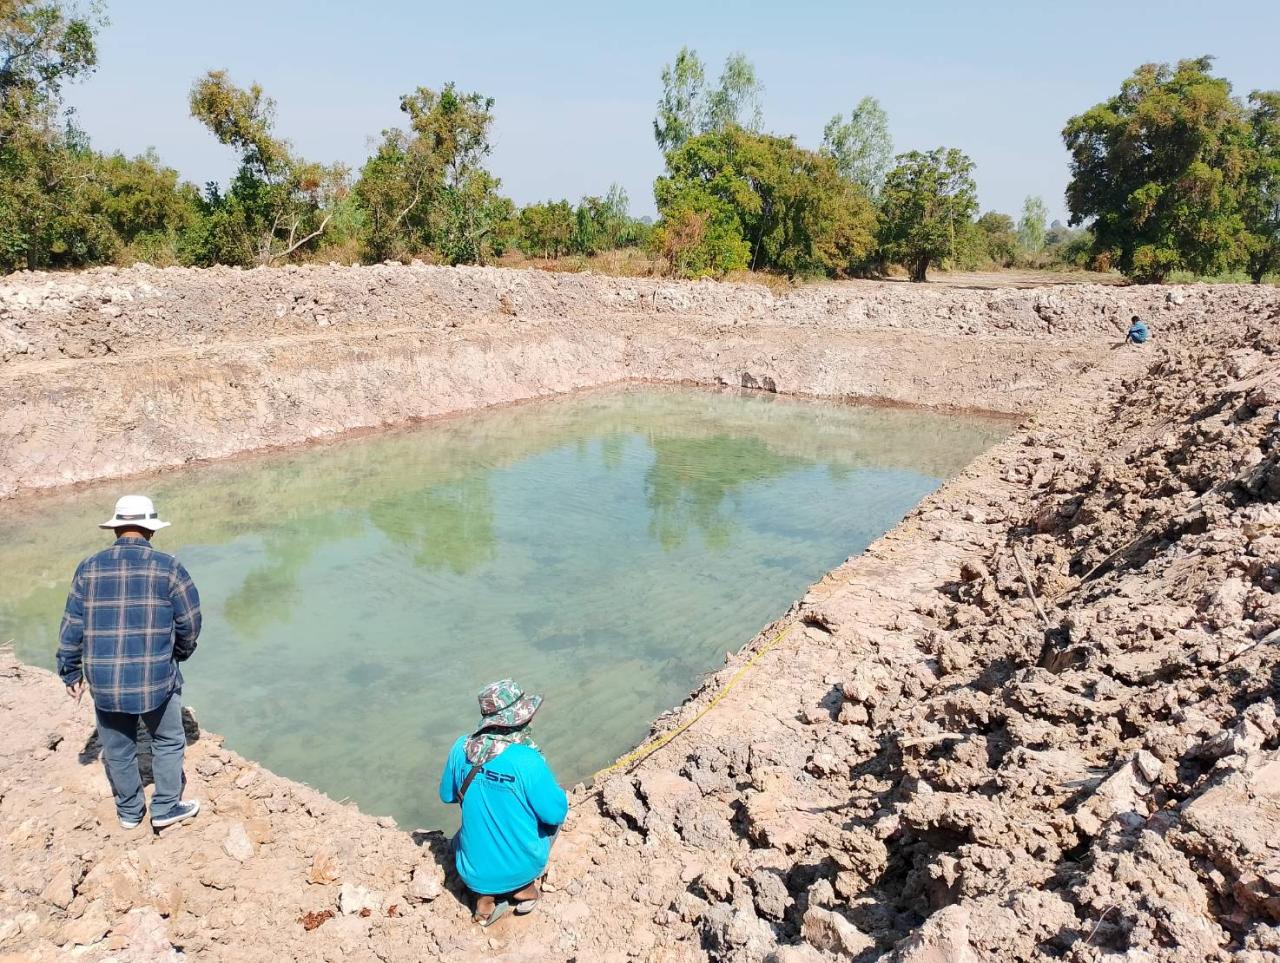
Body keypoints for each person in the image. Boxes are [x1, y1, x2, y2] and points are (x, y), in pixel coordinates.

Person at [57, 495, 203, 831]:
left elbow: (71, 625)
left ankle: (129, 811)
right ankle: (165, 806)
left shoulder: (88, 568)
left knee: (117, 747)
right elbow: (190, 622)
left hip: (105, 681)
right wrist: (179, 653)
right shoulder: (169, 567)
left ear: (118, 528)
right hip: (156, 677)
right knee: (166, 740)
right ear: (150, 531)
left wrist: (70, 671)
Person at [439, 679, 568, 926]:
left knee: (470, 828)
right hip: (523, 868)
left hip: (471, 871)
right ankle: (523, 889)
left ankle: (485, 898)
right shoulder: (528, 760)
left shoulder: (460, 747)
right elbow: (554, 815)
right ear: (520, 720)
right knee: (557, 804)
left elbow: (447, 796)